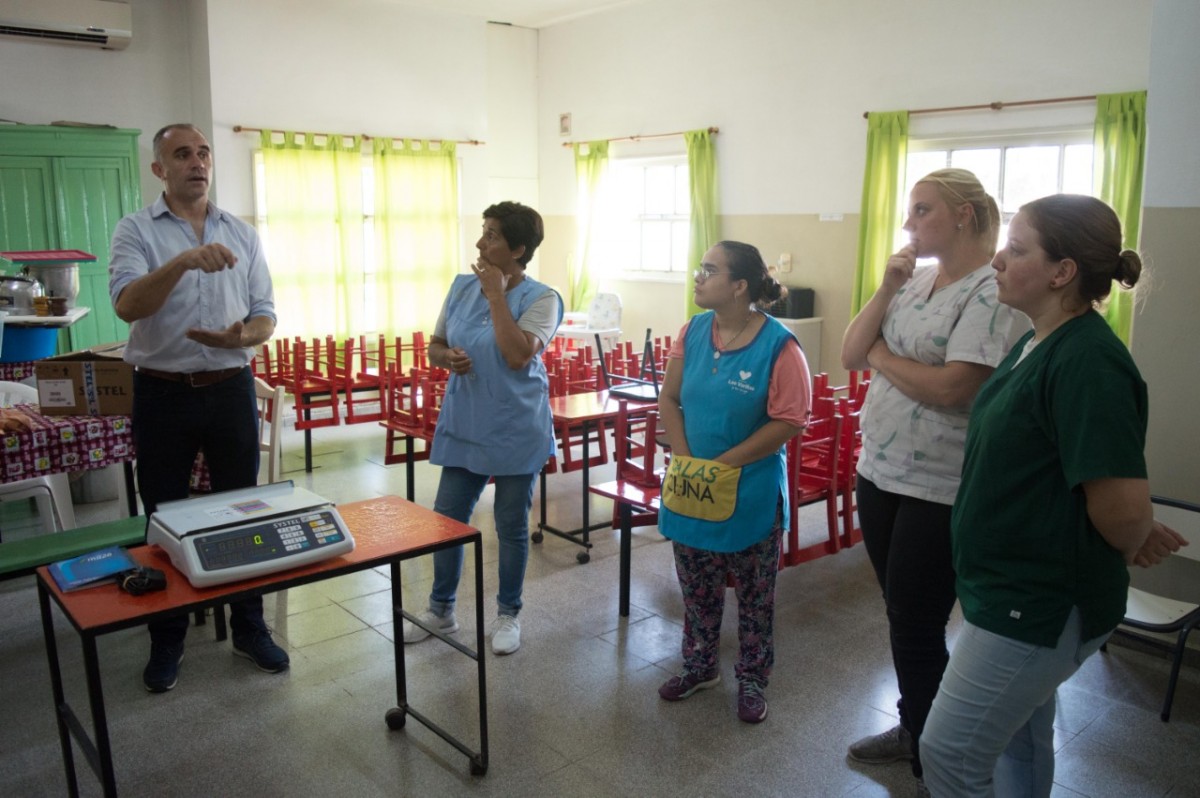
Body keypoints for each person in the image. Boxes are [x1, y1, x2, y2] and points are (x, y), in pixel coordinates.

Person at [920, 194, 1187, 797]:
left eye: (1017, 251)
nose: (998, 262)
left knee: (949, 752)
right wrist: (1133, 529)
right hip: (1007, 588)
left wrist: (1135, 531)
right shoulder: (1038, 339)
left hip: (1037, 602)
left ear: (1062, 272)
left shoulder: (1090, 362)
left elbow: (1119, 506)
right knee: (1017, 739)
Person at [841, 169, 1028, 794]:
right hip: (880, 471)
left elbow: (955, 389)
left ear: (965, 216)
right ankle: (915, 727)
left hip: (940, 484)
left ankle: (934, 756)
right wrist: (886, 287)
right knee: (901, 613)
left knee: (918, 621)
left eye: (922, 211)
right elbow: (848, 350)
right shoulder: (915, 280)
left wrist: (882, 358)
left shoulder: (989, 292)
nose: (908, 224)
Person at [109, 123, 286, 692]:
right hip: (161, 391)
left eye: (203, 152)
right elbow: (127, 305)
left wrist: (243, 338)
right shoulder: (134, 230)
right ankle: (167, 637)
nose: (197, 162)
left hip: (231, 386)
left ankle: (249, 626)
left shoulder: (242, 232)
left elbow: (265, 312)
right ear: (160, 169)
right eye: (181, 154)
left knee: (246, 511)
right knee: (164, 517)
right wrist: (183, 261)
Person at [656, 241, 811, 723]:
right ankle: (700, 665)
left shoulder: (779, 345)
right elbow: (669, 399)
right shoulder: (694, 330)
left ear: (740, 285)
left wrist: (724, 464)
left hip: (751, 493)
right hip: (692, 486)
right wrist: (686, 461)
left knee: (753, 594)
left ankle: (752, 676)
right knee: (697, 587)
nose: (698, 276)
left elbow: (789, 420)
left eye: (710, 270)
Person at [401, 201, 561, 656]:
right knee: (447, 519)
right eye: (482, 232)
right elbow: (435, 345)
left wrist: (496, 296)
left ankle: (508, 614)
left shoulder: (543, 299)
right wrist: (447, 357)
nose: (480, 242)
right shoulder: (460, 287)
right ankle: (441, 609)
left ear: (519, 248)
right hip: (466, 421)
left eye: (491, 235)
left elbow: (516, 355)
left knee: (510, 524)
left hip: (515, 426)